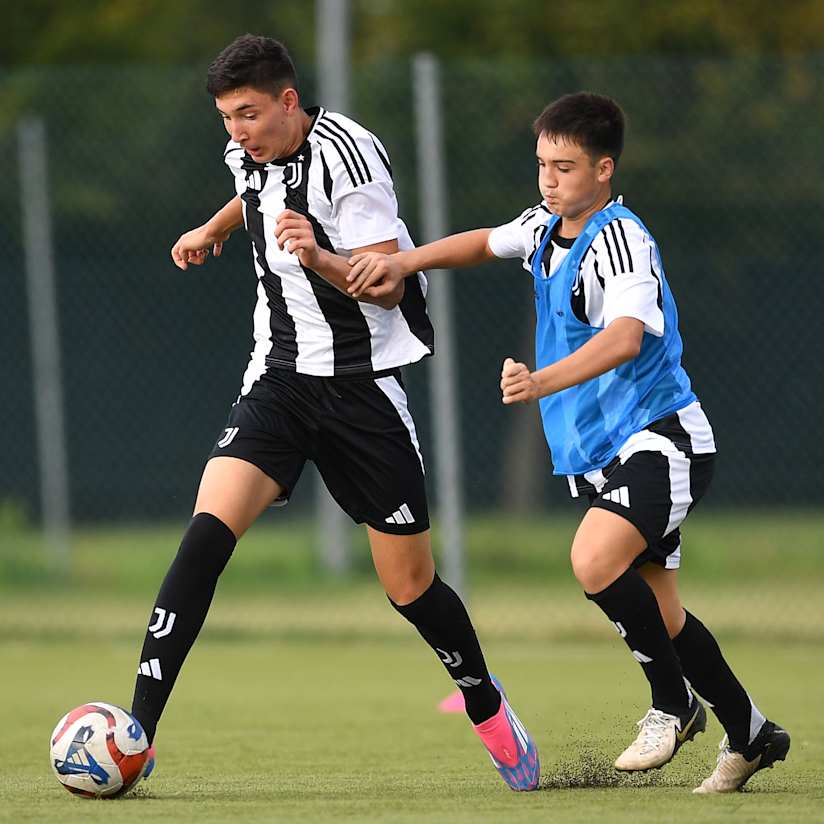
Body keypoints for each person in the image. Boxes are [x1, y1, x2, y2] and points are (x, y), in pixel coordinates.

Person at [346, 91, 790, 794]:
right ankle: (752, 732)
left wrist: (542, 380)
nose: (549, 180)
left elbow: (625, 336)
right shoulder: (544, 226)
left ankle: (673, 706)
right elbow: (486, 241)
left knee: (591, 559)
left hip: (662, 435)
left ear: (604, 169)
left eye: (566, 166)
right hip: (605, 451)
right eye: (542, 165)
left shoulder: (622, 239)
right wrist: (407, 263)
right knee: (665, 615)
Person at [129, 34, 540, 792]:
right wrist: (214, 229)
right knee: (204, 540)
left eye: (248, 114)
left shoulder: (351, 158)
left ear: (290, 99)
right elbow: (255, 191)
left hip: (362, 388)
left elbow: (385, 281)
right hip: (278, 381)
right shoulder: (246, 151)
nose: (237, 132)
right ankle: (136, 732)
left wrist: (317, 257)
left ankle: (486, 704)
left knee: (410, 586)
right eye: (226, 118)